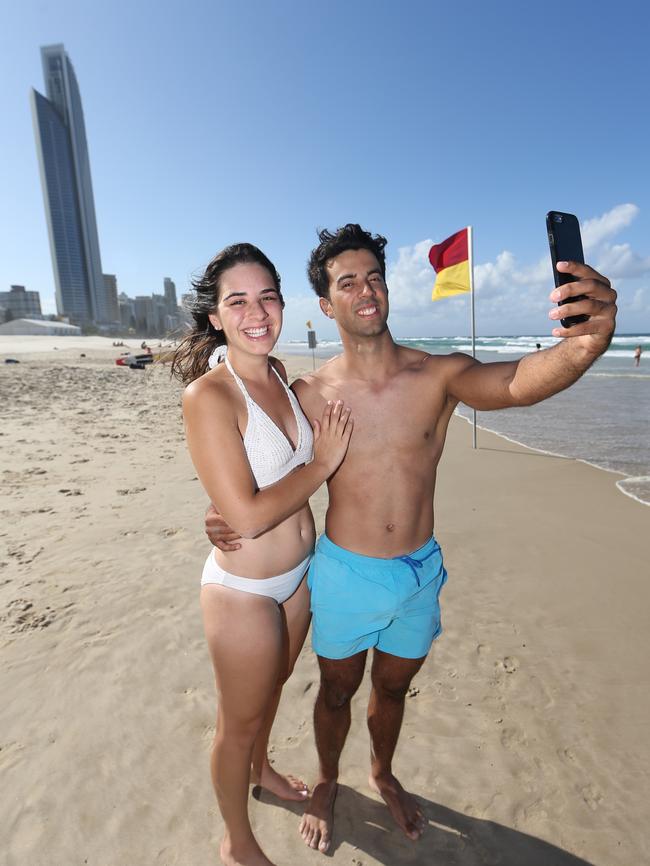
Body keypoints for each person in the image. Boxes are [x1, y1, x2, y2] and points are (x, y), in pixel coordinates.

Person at [205, 224, 617, 853]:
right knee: (337, 689)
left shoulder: (439, 374)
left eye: (374, 277)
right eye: (348, 282)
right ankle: (325, 779)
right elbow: (256, 458)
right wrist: (220, 511)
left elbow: (518, 382)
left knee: (393, 688)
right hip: (344, 573)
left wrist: (587, 342)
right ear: (325, 304)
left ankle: (382, 772)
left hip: (418, 573)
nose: (365, 290)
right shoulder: (308, 393)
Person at [173, 243, 353, 866]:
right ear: (216, 316)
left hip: (298, 575)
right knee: (238, 720)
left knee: (272, 687)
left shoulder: (280, 375)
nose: (257, 311)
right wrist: (323, 462)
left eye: (267, 296)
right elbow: (247, 513)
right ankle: (236, 841)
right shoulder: (209, 396)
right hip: (243, 591)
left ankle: (263, 769)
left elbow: (265, 480)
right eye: (238, 300)